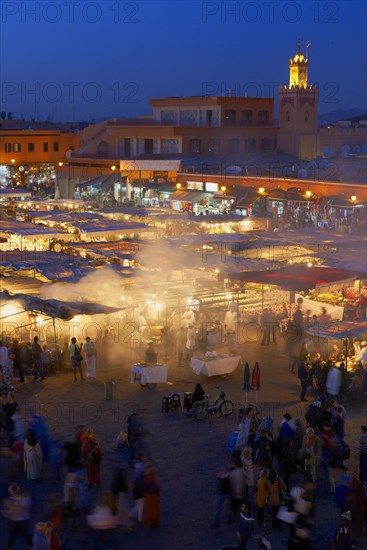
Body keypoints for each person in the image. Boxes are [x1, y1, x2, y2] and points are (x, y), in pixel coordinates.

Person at [2, 483, 32, 549]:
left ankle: (30, 545)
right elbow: (11, 509)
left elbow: (18, 509)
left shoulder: (25, 499)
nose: (12, 494)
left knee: (25, 533)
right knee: (12, 532)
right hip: (14, 519)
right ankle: (9, 545)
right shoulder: (13, 498)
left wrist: (9, 505)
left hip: (23, 519)